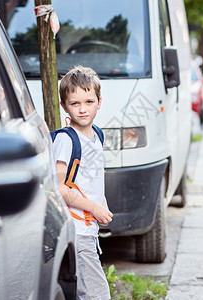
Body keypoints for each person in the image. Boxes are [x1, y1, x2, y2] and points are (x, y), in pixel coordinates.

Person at [53, 66, 113, 300]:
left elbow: (92, 177)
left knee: (87, 291)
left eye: (89, 101)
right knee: (97, 294)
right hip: (76, 229)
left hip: (88, 228)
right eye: (75, 103)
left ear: (99, 101)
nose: (83, 109)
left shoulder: (96, 135)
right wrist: (94, 208)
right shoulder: (66, 140)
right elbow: (60, 188)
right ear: (64, 106)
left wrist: (102, 204)